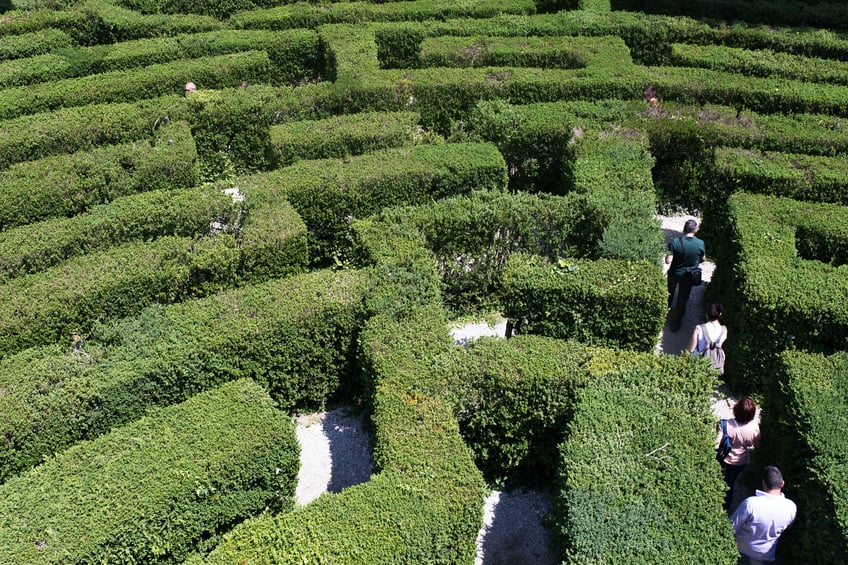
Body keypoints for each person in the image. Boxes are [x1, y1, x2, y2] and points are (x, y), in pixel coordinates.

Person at [731, 466, 797, 564]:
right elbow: (787, 527)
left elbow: (732, 526)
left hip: (741, 550)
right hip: (765, 555)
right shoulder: (791, 506)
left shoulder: (751, 503)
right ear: (782, 483)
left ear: (764, 484)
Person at [716, 396, 761, 512]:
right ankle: (726, 508)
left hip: (724, 458)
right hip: (740, 462)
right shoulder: (754, 429)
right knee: (730, 483)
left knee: (722, 479)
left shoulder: (725, 424)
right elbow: (757, 446)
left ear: (736, 410)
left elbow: (716, 444)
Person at [665, 218, 705, 332]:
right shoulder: (700, 243)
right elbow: (703, 258)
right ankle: (675, 323)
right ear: (695, 230)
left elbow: (668, 260)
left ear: (684, 229)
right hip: (689, 276)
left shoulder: (674, 242)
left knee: (669, 293)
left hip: (674, 273)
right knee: (682, 299)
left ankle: (664, 313)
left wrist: (668, 255)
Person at [688, 302, 727, 374]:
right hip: (715, 363)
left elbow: (691, 349)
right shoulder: (724, 330)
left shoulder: (699, 328)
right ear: (720, 314)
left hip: (699, 361)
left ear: (707, 314)